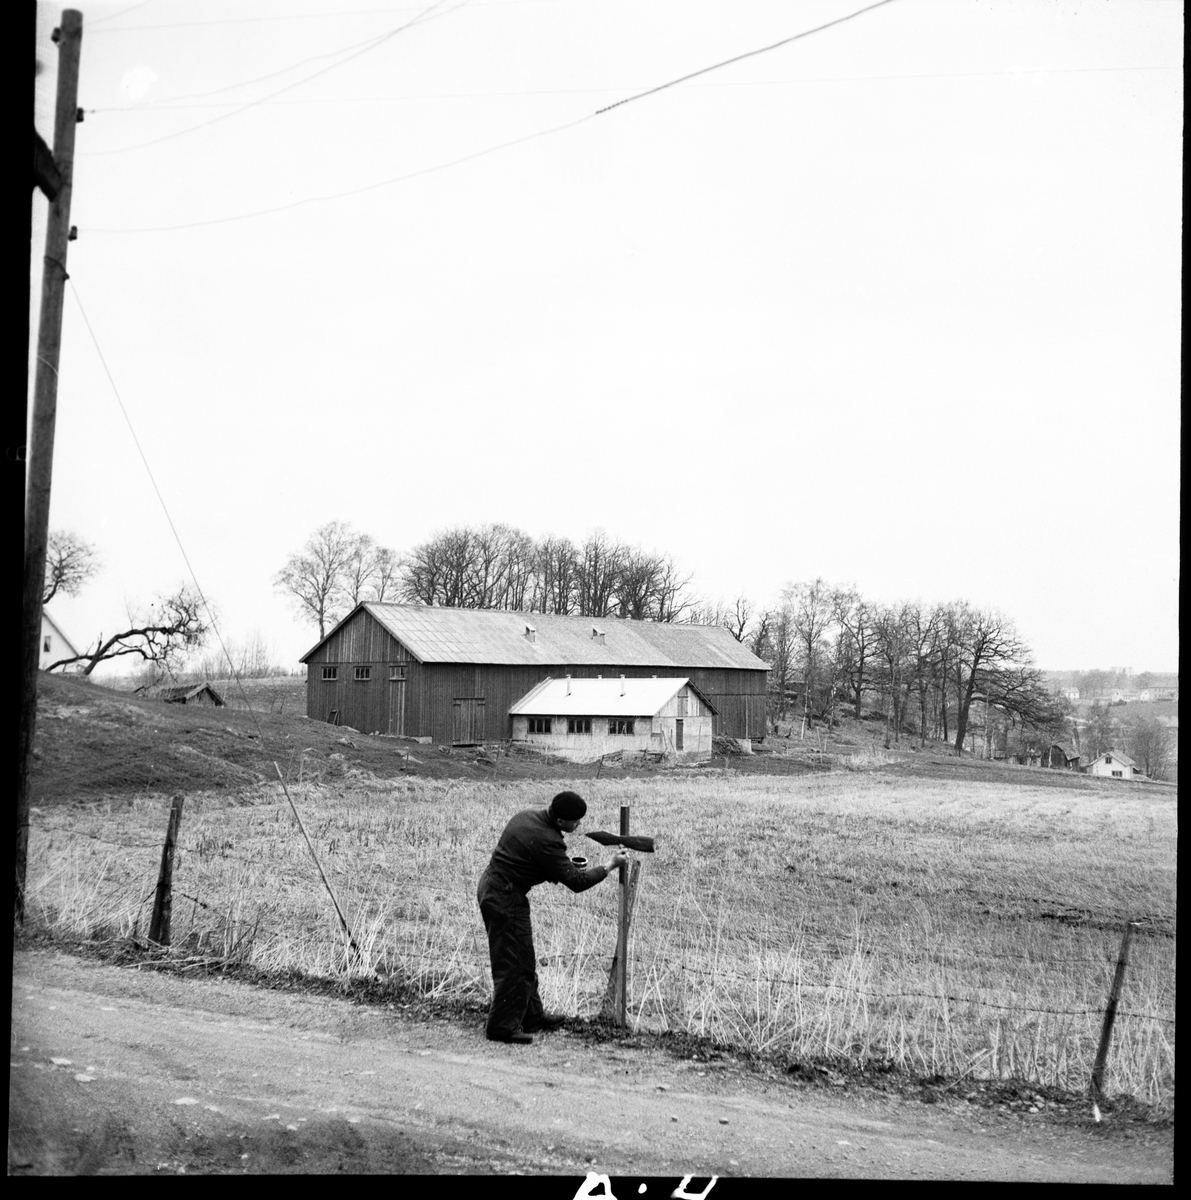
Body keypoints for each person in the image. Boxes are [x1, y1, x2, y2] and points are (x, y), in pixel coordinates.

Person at [476, 790, 627, 1044]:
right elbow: (577, 883)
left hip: (496, 888)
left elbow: (531, 861)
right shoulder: (548, 839)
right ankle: (500, 1027)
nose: (579, 825)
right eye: (575, 821)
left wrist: (560, 868)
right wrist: (609, 866)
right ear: (560, 821)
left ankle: (533, 1016)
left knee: (523, 958)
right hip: (505, 897)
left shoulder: (527, 816)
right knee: (513, 963)